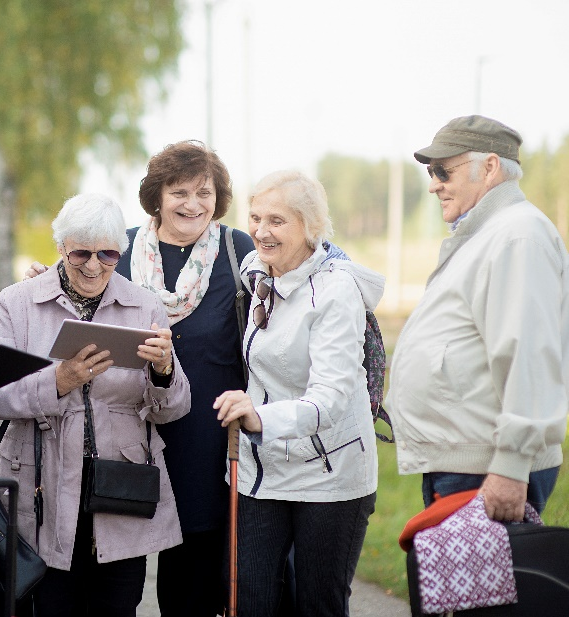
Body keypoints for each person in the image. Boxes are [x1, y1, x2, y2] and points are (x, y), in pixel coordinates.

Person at [26, 141, 255, 616]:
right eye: (179, 191)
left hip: (202, 434)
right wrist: (37, 279)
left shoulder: (237, 252)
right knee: (112, 569)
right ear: (157, 196)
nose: (192, 203)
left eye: (204, 192)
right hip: (122, 431)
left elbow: (294, 262)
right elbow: (75, 278)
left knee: (190, 573)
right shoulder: (121, 248)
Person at [0, 192, 191, 617]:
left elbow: (174, 408)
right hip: (42, 485)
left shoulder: (144, 305)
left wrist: (164, 370)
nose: (94, 266)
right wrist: (58, 381)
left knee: (117, 604)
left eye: (108, 254)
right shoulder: (18, 302)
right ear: (61, 248)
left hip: (119, 489)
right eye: (81, 253)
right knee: (50, 603)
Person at [215, 169, 382, 616]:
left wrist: (259, 419)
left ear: (310, 227)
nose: (261, 231)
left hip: (331, 471)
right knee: (248, 600)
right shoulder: (256, 274)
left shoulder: (336, 292)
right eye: (255, 218)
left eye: (276, 220)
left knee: (317, 605)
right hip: (261, 468)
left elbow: (330, 398)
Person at [385, 115, 569, 522]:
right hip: (466, 465)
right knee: (455, 588)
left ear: (489, 168)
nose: (433, 184)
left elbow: (528, 356)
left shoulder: (518, 235)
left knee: (483, 589)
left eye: (442, 171)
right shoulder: (491, 234)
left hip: (487, 470)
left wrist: (510, 465)